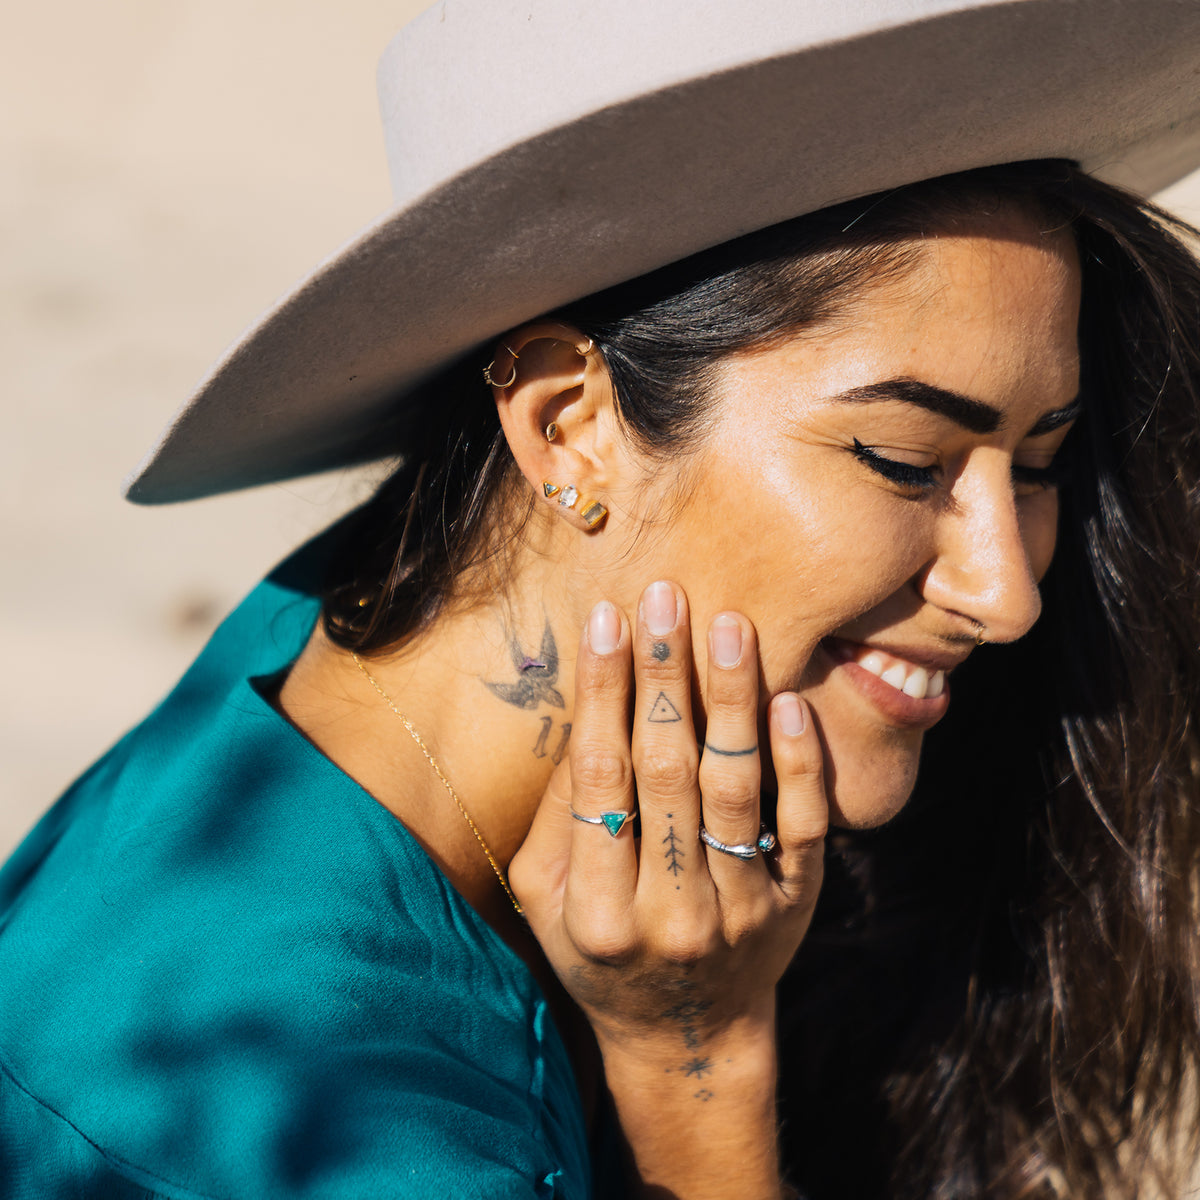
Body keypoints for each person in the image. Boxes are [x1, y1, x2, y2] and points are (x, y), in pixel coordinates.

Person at [3, 3, 1200, 1198]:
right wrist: (699, 1068)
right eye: (903, 460)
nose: (1007, 596)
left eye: (1038, 466)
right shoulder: (348, 1137)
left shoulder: (340, 616)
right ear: (566, 427)